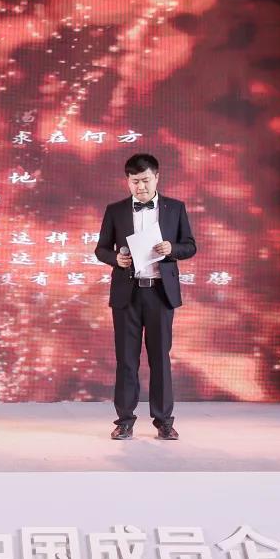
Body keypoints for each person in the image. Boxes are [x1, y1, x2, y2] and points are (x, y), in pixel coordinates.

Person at [94, 153, 196, 441]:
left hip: (160, 293)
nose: (140, 186)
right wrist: (116, 259)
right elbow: (101, 249)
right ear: (127, 181)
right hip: (127, 294)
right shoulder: (115, 210)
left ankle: (164, 422)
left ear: (157, 178)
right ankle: (125, 421)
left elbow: (190, 245)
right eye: (135, 181)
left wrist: (171, 249)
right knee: (126, 360)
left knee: (160, 359)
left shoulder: (175, 208)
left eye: (145, 180)